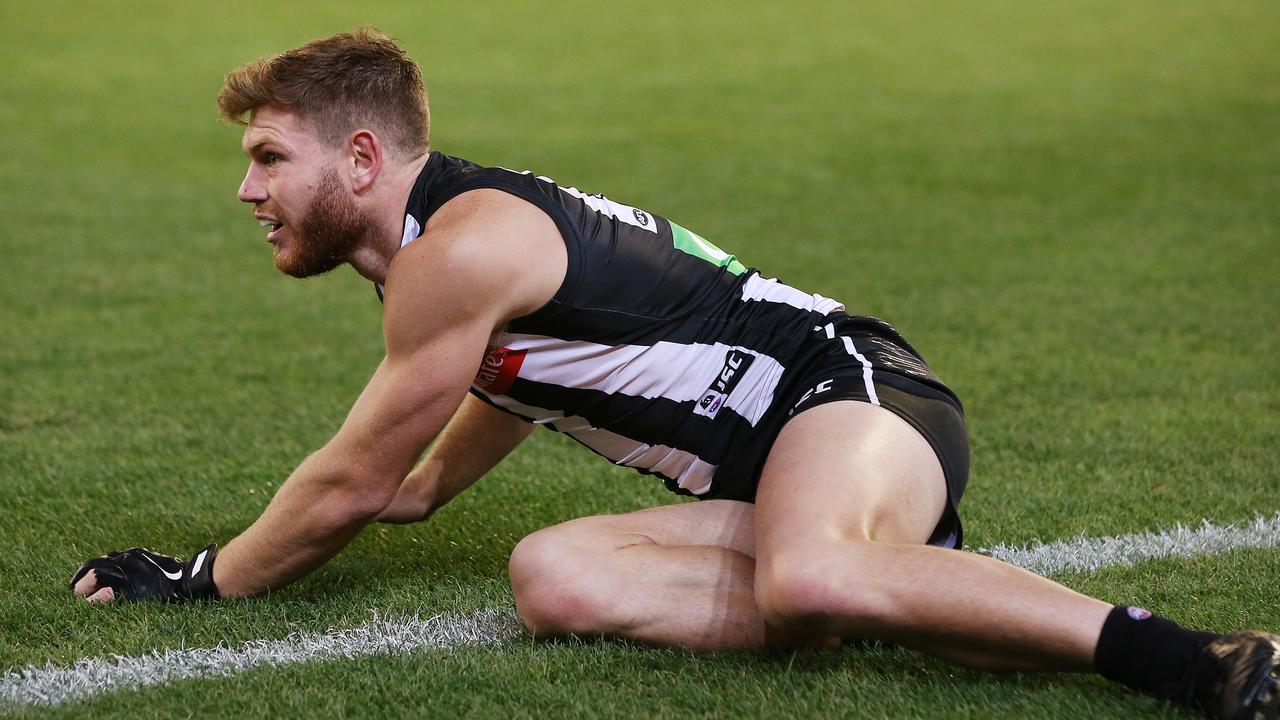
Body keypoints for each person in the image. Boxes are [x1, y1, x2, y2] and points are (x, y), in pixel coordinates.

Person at [70, 28, 1277, 719]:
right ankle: (897, 583)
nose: (249, 190)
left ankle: (1195, 656)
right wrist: (419, 494)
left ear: (365, 155)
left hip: (845, 391)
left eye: (270, 158)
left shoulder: (464, 243)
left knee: (807, 579)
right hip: (777, 464)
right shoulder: (432, 257)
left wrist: (209, 578)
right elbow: (466, 419)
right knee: (553, 576)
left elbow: (346, 478)